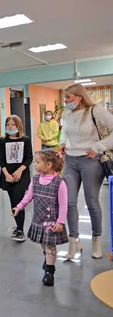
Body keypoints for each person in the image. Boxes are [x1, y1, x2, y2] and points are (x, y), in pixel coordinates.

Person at [60, 83, 113, 259]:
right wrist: (63, 143)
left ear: (79, 97)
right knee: (69, 203)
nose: (65, 101)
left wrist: (99, 146)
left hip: (90, 161)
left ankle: (96, 239)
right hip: (70, 161)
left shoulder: (95, 111)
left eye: (68, 97)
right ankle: (74, 242)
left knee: (92, 202)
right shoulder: (67, 113)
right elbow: (64, 132)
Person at [13, 151, 68, 286]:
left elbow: (63, 204)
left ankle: (49, 272)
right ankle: (48, 259)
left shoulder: (59, 183)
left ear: (49, 165)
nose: (35, 165)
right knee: (44, 244)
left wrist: (60, 222)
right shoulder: (35, 180)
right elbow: (29, 196)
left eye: (38, 162)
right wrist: (19, 207)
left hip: (52, 222)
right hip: (39, 219)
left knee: (50, 245)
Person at [0, 115, 33, 242]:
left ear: (18, 126)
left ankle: (20, 230)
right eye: (8, 124)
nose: (10, 127)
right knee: (13, 201)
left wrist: (20, 170)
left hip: (21, 175)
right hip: (7, 175)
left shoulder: (26, 139)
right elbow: (1, 159)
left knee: (19, 202)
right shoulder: (2, 141)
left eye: (13, 124)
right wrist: (7, 174)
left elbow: (29, 158)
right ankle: (17, 226)